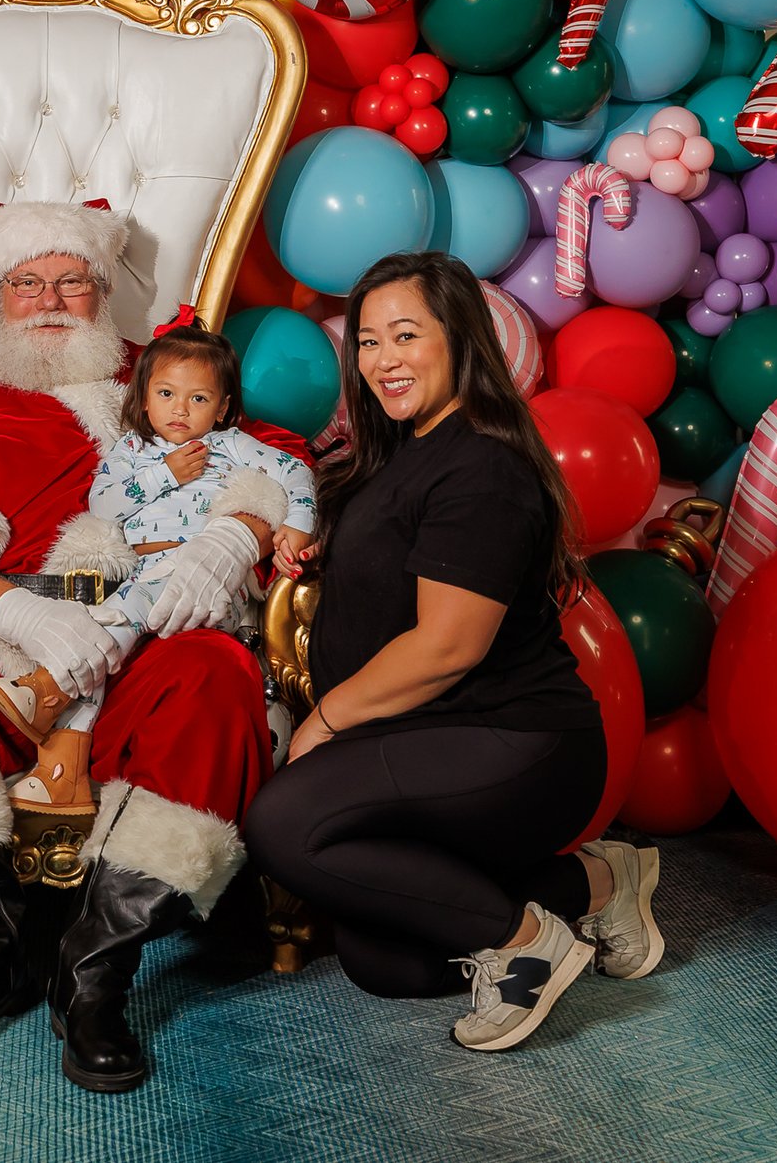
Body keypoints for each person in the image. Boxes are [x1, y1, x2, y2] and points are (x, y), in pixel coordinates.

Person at [0, 200, 284, 1092]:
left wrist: (235, 535)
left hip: (143, 631)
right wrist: (14, 614)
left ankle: (95, 970)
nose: (49, 298)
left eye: (71, 280)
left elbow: (271, 459)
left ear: (103, 290)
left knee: (218, 671)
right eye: (26, 281)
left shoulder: (162, 375)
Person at [243, 251, 664, 1052]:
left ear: (459, 337)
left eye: (406, 335)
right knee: (384, 958)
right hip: (426, 738)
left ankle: (526, 945)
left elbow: (447, 645)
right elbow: (407, 565)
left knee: (284, 824)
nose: (382, 361)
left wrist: (326, 720)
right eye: (367, 342)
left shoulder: (484, 465)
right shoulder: (402, 453)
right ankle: (601, 880)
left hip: (517, 742)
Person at [0, 311, 316, 818]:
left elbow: (294, 469)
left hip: (204, 580)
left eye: (199, 398)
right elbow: (104, 506)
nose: (180, 410)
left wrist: (298, 523)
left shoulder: (228, 445)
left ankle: (54, 685)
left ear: (224, 407)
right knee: (92, 632)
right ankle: (61, 778)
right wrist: (165, 473)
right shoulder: (131, 452)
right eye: (166, 394)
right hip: (141, 573)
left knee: (103, 629)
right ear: (144, 398)